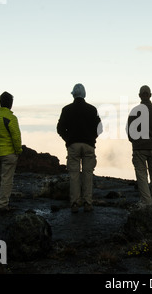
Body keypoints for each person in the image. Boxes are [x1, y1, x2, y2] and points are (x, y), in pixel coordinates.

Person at [57, 83, 102, 213]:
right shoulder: (92, 109)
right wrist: (92, 137)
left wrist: (68, 140)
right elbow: (100, 128)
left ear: (73, 94)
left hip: (73, 145)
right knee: (88, 174)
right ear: (84, 94)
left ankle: (75, 203)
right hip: (88, 145)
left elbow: (60, 128)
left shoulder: (66, 110)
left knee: (74, 175)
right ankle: (88, 203)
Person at [126, 85, 152, 209]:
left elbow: (129, 130)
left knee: (142, 175)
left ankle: (146, 202)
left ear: (139, 95)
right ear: (150, 95)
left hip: (139, 149)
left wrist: (134, 142)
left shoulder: (134, 111)